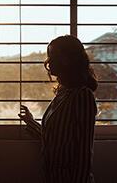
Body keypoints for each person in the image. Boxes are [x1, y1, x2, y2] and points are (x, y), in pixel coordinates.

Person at [18, 35, 98, 183]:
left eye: (53, 56)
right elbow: (55, 139)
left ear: (68, 60)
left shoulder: (82, 96)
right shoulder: (63, 93)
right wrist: (31, 122)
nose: (48, 63)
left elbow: (83, 152)